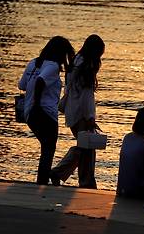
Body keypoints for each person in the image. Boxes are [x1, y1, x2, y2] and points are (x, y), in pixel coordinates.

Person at [50, 34, 105, 188]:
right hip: (81, 113)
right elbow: (86, 96)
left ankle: (85, 181)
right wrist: (90, 117)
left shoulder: (75, 62)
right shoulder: (87, 66)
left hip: (71, 111)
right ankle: (63, 173)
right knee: (85, 147)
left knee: (86, 148)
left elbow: (72, 90)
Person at [18, 36, 75, 185]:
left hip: (29, 112)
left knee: (46, 147)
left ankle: (43, 179)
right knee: (48, 148)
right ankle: (43, 180)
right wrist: (38, 103)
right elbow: (40, 81)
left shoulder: (33, 63)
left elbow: (22, 85)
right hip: (45, 113)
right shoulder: (53, 66)